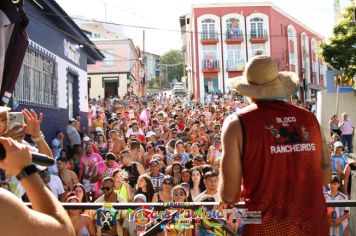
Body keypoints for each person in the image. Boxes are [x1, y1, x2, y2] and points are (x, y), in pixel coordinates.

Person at [218, 56, 331, 235]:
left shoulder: (237, 123)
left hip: (266, 228)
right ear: (279, 84)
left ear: (248, 91)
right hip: (314, 227)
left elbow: (229, 195)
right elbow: (325, 177)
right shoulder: (309, 118)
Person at [0, 136, 75, 235]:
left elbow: (47, 161)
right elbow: (62, 232)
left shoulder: (20, 145)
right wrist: (25, 170)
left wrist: (37, 135)